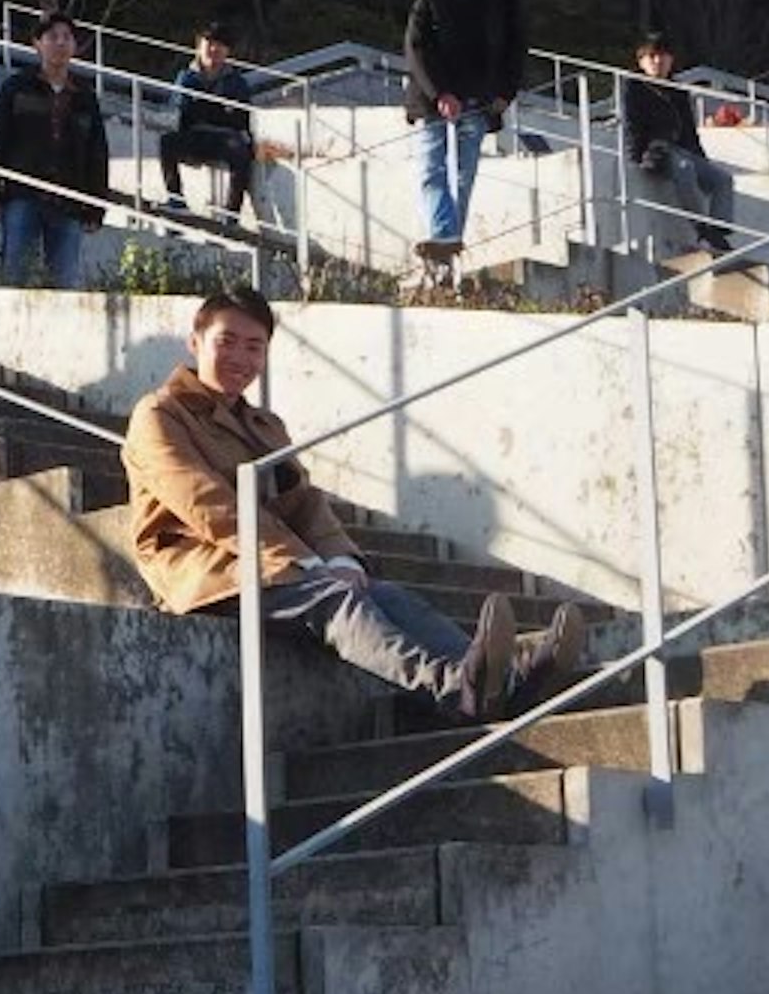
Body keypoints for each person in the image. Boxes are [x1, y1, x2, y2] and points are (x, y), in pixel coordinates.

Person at [122, 284, 589, 717]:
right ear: (195, 342)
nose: (240, 357)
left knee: (389, 597)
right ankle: (457, 688)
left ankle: (502, 681)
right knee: (337, 598)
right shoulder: (160, 414)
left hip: (274, 570)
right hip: (206, 571)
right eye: (227, 341)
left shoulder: (265, 425)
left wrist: (344, 558)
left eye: (254, 346)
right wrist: (308, 564)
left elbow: (304, 502)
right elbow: (207, 505)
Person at [401, 0, 526, 276]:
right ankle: (445, 236)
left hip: (480, 98)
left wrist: (505, 93)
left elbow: (516, 46)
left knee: (463, 173)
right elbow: (416, 47)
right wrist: (439, 92)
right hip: (432, 99)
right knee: (431, 168)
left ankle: (445, 239)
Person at [0, 11, 113, 290]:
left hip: (69, 199)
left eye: (67, 37)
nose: (60, 43)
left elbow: (97, 152)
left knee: (64, 283)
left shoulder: (85, 96)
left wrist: (96, 207)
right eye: (53, 37)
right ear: (37, 44)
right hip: (23, 195)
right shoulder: (16, 88)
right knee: (15, 275)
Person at [621, 30, 737, 255]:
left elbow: (689, 131)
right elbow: (631, 125)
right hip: (656, 150)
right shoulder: (634, 87)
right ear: (641, 60)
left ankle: (718, 232)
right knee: (684, 168)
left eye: (663, 56)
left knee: (723, 179)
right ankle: (702, 230)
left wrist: (703, 160)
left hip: (682, 148)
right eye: (652, 56)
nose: (658, 62)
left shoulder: (677, 90)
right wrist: (635, 156)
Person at [158, 26, 265, 221]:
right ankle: (176, 200)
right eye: (209, 44)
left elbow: (240, 116)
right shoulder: (187, 76)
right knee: (167, 142)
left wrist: (208, 110)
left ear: (227, 51)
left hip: (223, 137)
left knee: (241, 151)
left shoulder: (235, 81)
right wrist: (216, 110)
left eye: (220, 46)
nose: (214, 50)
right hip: (196, 134)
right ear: (198, 47)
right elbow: (180, 108)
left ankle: (231, 215)